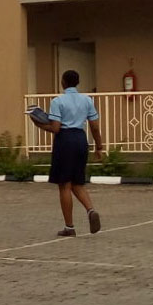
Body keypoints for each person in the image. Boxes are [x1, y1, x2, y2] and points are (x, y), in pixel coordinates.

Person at [38, 70, 103, 237]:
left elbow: (55, 127)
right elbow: (94, 126)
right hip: (81, 139)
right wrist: (99, 146)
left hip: (65, 140)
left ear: (63, 82)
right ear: (78, 82)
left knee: (64, 184)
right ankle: (90, 210)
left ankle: (69, 226)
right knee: (77, 182)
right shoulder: (87, 100)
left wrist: (38, 123)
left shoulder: (57, 101)